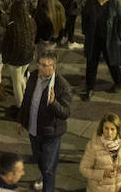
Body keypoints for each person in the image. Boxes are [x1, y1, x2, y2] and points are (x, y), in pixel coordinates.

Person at [17, 45, 73, 192]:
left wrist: (53, 103)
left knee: (48, 168)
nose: (41, 68)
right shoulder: (33, 76)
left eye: (45, 65)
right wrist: (21, 121)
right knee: (40, 160)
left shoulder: (62, 86)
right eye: (40, 64)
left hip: (51, 133)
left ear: (53, 67)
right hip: (34, 130)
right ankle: (45, 178)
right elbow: (26, 100)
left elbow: (66, 113)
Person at [80, 0, 121, 100]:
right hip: (94, 39)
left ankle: (119, 82)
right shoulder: (90, 3)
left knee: (113, 63)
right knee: (91, 64)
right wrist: (86, 32)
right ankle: (90, 87)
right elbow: (85, 17)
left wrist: (119, 37)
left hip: (109, 39)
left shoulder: (114, 4)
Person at [78, 113, 121, 192]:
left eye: (112, 129)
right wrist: (102, 174)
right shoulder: (94, 145)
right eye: (106, 128)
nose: (109, 133)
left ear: (117, 129)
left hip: (120, 187)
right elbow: (83, 169)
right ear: (102, 128)